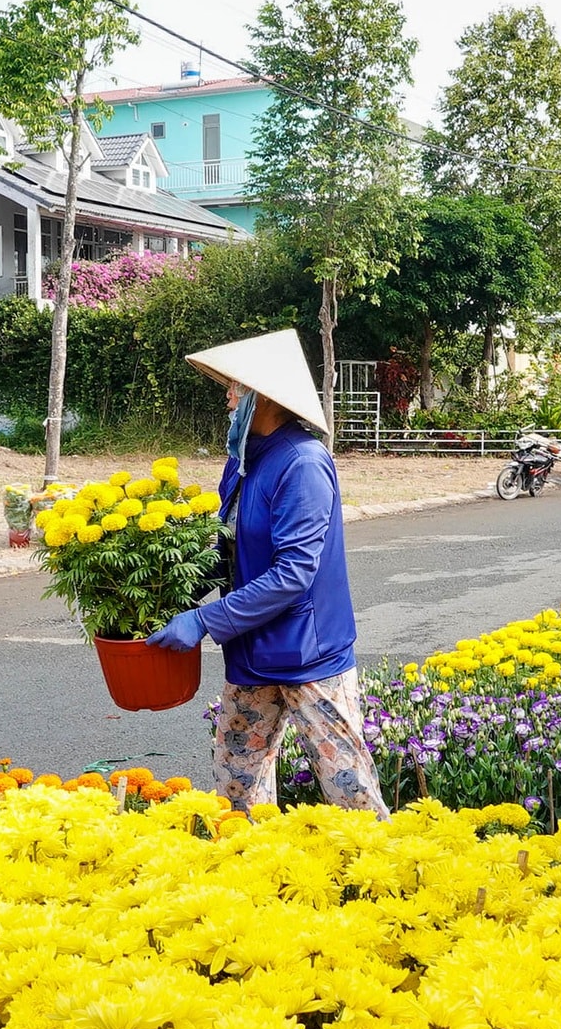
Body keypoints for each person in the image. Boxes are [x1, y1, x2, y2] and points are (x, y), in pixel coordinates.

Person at [148, 329, 388, 816]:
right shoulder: (243, 463)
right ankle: (252, 872)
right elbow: (228, 545)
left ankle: (381, 873)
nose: (228, 397)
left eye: (237, 388)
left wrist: (205, 621)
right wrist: (171, 593)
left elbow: (294, 573)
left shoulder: (302, 463)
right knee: (238, 785)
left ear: (267, 399)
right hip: (252, 649)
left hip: (308, 653)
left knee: (348, 788)